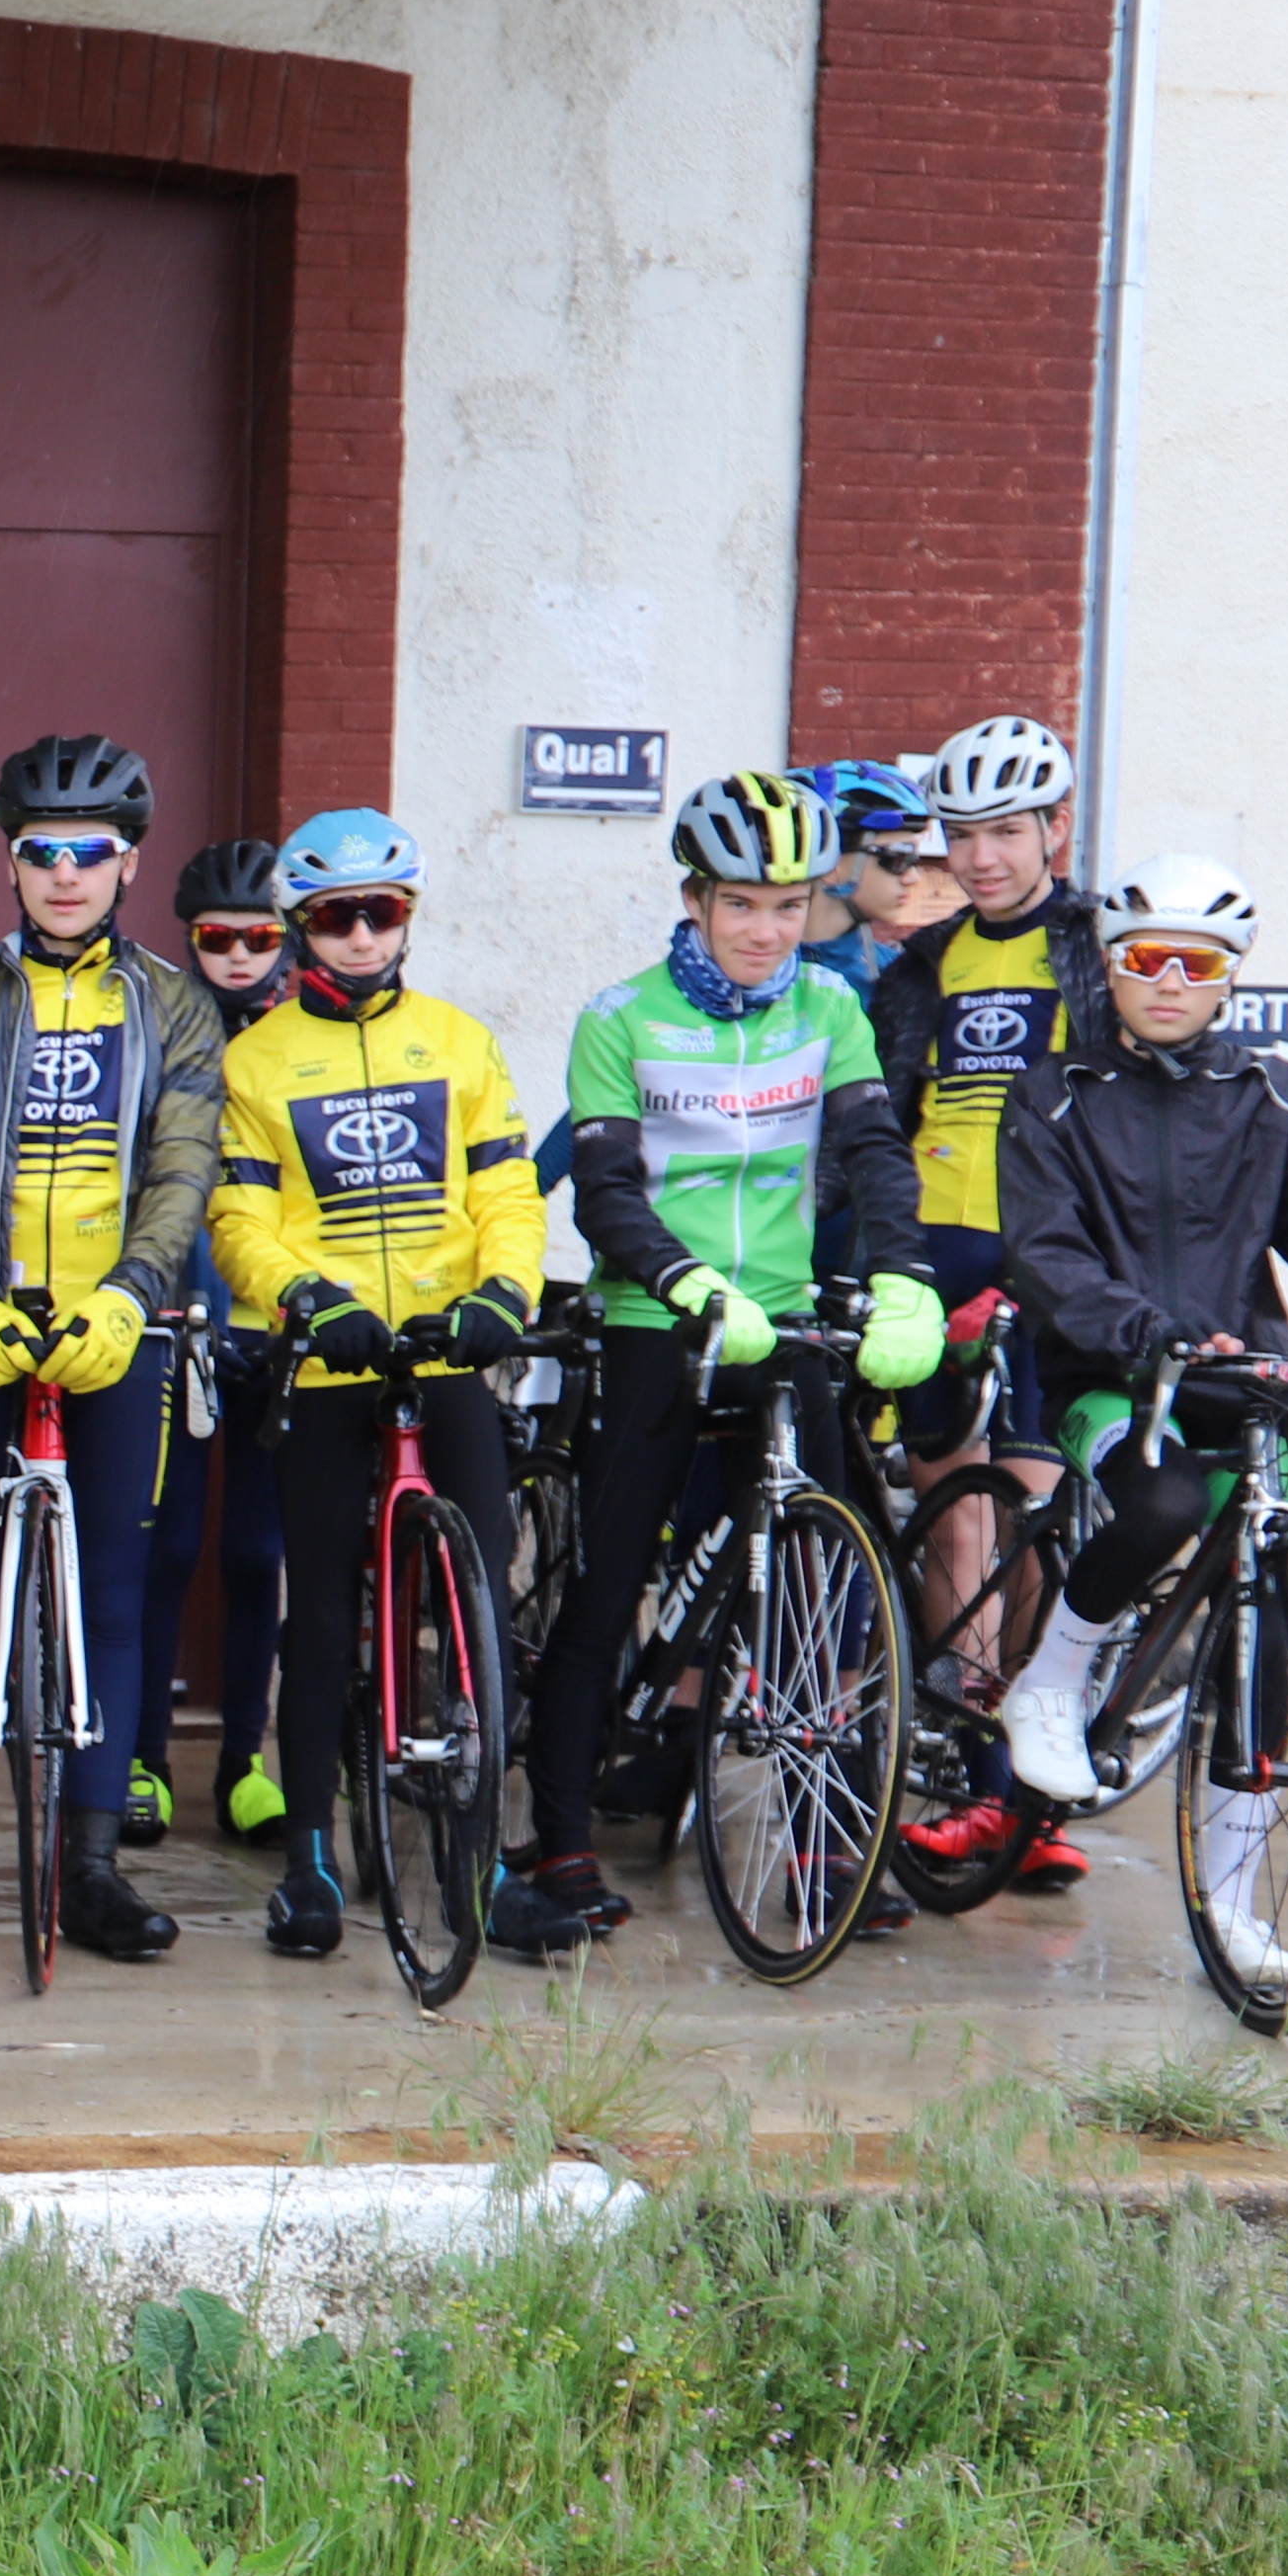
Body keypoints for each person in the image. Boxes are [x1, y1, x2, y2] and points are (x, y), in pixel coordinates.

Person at [508, 772, 942, 1957]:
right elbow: (604, 1189)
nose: (766, 929)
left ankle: (832, 1835)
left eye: (790, 905)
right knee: (606, 1587)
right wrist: (679, 1281)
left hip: (786, 1315)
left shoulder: (830, 1014)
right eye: (743, 903)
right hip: (661, 1319)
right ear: (696, 899)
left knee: (833, 1565)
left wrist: (905, 1276)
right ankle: (557, 1848)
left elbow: (873, 1153)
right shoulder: (622, 1017)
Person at [986, 856, 1288, 1995]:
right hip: (1112, 1371)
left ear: (1230, 980)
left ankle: (1234, 1904)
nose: (1170, 980)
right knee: (1162, 1498)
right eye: (1144, 959)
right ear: (1109, 968)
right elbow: (1045, 1247)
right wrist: (1139, 1326)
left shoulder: (1277, 1096)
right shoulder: (1054, 1092)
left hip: (1241, 1372)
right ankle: (1052, 1681)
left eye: (1198, 963)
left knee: (1260, 1630)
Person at [0, 733, 221, 1966]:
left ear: (128, 863)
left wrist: (134, 1291)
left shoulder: (174, 1006)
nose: (65, 874)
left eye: (90, 853)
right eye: (40, 852)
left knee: (113, 1601)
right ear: (12, 862)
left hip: (122, 1333)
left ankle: (97, 1867)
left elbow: (182, 1164)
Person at [207, 810, 544, 1962]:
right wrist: (305, 1298)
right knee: (317, 1618)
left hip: (448, 1354)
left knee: (482, 1613)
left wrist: (507, 1289)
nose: (360, 935)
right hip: (330, 1357)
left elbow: (506, 1188)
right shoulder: (255, 1058)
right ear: (303, 927)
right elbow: (239, 1212)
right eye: (336, 917)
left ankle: (487, 1870)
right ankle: (308, 1861)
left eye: (381, 913)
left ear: (409, 917)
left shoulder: (460, 1041)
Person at [871, 711, 1113, 1889]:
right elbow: (878, 1118)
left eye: (1006, 831)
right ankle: (972, 1776)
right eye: (961, 834)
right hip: (937, 1246)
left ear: (1055, 829)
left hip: (1051, 1249)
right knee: (952, 1513)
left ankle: (1029, 1785)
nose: (980, 857)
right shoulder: (920, 965)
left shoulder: (1099, 947)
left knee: (1034, 1518)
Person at [157, 833, 298, 1839]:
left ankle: (246, 1759)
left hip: (272, 1328)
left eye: (261, 936)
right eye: (219, 937)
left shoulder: (305, 1039)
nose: (240, 955)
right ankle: (137, 1761)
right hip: (169, 1322)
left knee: (255, 1555)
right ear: (190, 938)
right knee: (160, 1551)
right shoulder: (161, 1032)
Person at [812, 758, 955, 996]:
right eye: (899, 858)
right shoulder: (755, 971)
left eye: (914, 860)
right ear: (830, 863)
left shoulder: (904, 977)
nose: (913, 877)